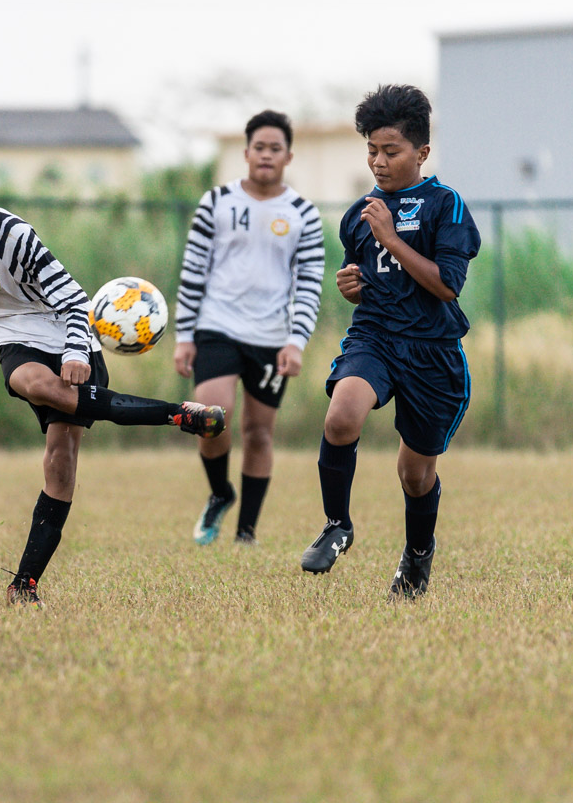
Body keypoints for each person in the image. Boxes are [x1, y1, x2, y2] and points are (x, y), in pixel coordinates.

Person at [0, 137, 225, 607]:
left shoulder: (12, 234)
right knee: (33, 384)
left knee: (60, 466)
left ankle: (23, 586)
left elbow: (70, 296)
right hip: (9, 336)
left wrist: (77, 352)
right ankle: (176, 415)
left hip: (67, 331)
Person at [299, 84, 481, 600]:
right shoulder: (360, 214)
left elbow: (446, 284)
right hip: (375, 336)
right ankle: (338, 524)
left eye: (391, 151)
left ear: (421, 153)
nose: (378, 162)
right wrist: (350, 284)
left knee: (415, 474)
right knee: (341, 415)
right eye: (372, 151)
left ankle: (418, 555)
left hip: (432, 351)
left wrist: (393, 240)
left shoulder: (445, 207)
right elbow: (363, 276)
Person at [174, 110, 325, 545]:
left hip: (271, 338)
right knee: (209, 419)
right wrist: (185, 336)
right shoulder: (216, 202)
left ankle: (246, 533)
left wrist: (296, 342)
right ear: (245, 153)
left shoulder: (302, 214)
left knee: (259, 433)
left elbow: (309, 283)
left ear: (288, 156)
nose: (266, 155)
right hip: (216, 326)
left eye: (275, 148)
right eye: (259, 147)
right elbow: (193, 271)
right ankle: (221, 493)